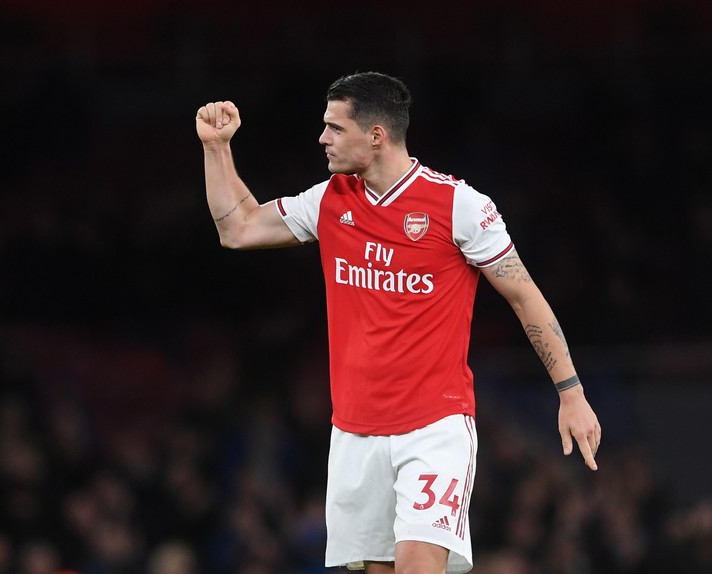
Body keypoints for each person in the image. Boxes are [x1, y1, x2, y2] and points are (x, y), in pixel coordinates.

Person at [195, 72, 601, 574]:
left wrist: (571, 391)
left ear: (377, 135)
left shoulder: (459, 207)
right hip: (354, 432)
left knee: (417, 565)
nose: (322, 138)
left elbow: (525, 295)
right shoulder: (329, 200)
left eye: (335, 128)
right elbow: (239, 228)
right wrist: (217, 149)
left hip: (434, 427)